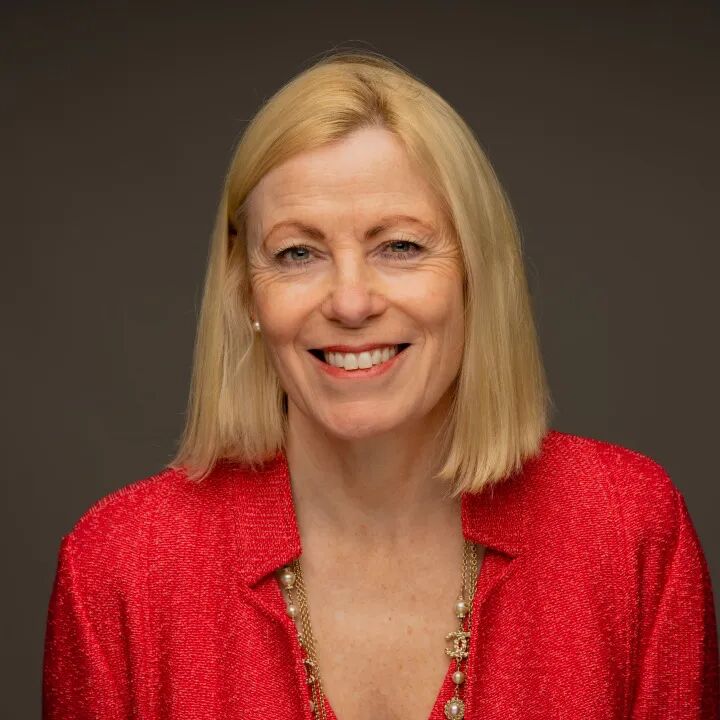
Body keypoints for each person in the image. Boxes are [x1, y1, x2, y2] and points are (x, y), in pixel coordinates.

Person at [42, 50, 718, 720]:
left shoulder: (625, 531)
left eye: (400, 246)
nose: (351, 302)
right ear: (246, 291)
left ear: (476, 275)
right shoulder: (120, 567)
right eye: (297, 253)